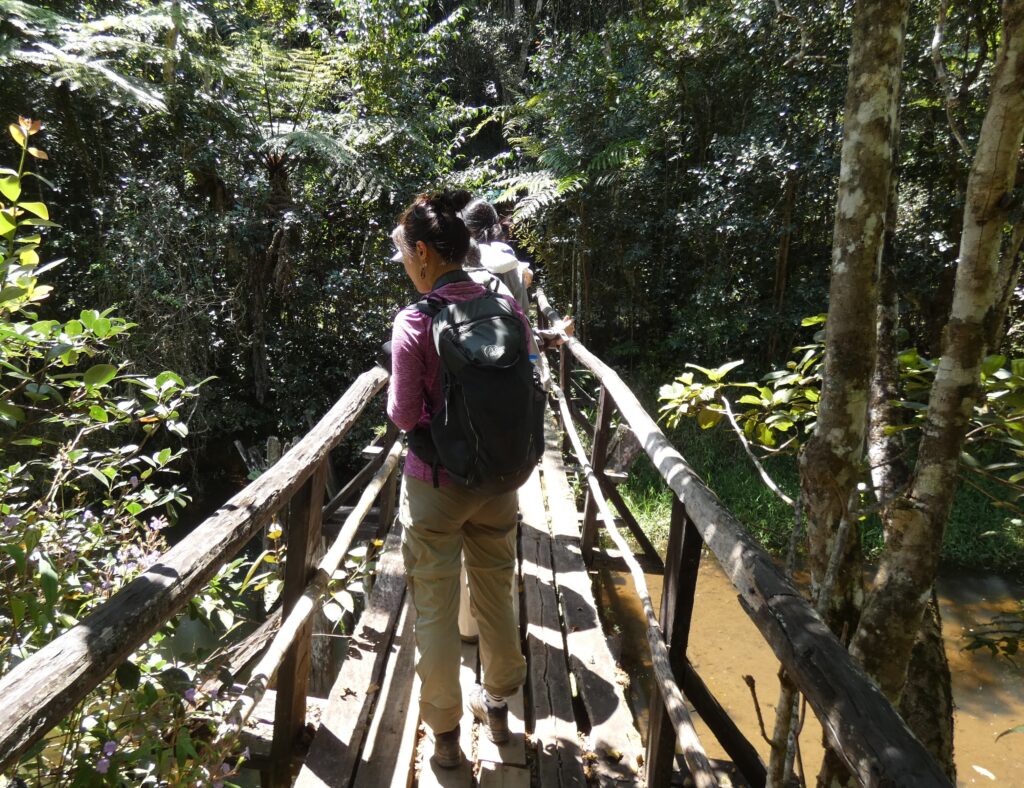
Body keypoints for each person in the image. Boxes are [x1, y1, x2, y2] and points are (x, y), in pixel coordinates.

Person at [386, 192, 529, 769]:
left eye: (405, 254)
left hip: (437, 485)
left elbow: (403, 415)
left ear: (423, 252)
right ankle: (498, 706)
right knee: (496, 590)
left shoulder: (415, 320)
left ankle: (445, 737)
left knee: (436, 608)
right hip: (499, 479)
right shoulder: (505, 304)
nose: (405, 265)